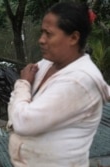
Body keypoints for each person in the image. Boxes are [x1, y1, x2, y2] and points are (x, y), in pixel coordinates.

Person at [7, 2, 110, 167]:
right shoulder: (47, 64)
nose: (41, 40)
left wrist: (23, 84)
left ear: (74, 38)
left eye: (48, 34)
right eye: (42, 32)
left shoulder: (78, 81)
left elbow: (22, 121)